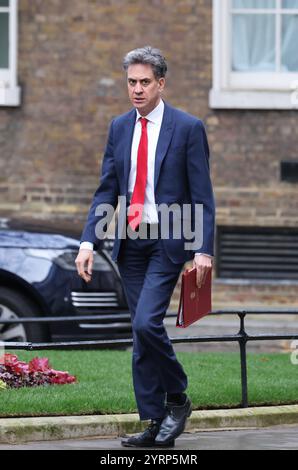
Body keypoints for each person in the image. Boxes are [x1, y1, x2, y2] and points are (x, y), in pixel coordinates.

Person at [75, 46, 215, 448]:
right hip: (130, 244)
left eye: (144, 82)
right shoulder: (119, 127)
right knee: (142, 338)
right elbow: (107, 191)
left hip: (167, 241)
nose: (136, 89)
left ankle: (178, 396)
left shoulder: (187, 127)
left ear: (161, 84)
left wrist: (203, 248)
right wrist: (88, 240)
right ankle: (156, 422)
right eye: (131, 82)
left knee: (145, 324)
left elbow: (203, 196)